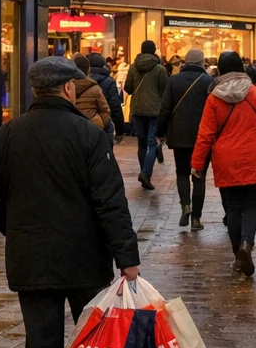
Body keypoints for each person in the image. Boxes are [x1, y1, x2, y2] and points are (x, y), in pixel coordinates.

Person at [0, 56, 139, 348]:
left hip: (31, 258)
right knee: (90, 338)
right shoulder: (88, 135)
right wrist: (126, 256)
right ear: (69, 89)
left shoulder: (8, 134)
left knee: (43, 342)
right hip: (85, 257)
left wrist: (17, 230)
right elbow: (110, 201)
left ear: (36, 90)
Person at [191, 51, 256, 277]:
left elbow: (205, 135)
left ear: (221, 70)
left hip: (226, 160)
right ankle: (247, 243)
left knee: (233, 208)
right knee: (252, 206)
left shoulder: (214, 97)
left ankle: (238, 252)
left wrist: (197, 164)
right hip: (255, 157)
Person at [158, 47, 214, 229]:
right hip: (202, 137)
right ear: (202, 63)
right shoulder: (208, 81)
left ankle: (185, 205)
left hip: (179, 134)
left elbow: (165, 108)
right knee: (199, 176)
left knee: (182, 173)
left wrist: (160, 131)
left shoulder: (174, 80)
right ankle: (196, 218)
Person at [124, 40, 170, 189]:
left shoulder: (133, 67)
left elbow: (128, 89)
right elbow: (165, 90)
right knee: (152, 143)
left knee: (141, 144)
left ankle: (144, 172)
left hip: (137, 110)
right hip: (154, 111)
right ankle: (145, 173)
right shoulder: (159, 69)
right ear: (154, 51)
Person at [87, 52, 127, 141]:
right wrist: (120, 130)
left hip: (85, 124)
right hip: (104, 124)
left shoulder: (81, 80)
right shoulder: (109, 82)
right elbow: (115, 107)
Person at [70, 54, 113, 130]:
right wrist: (101, 124)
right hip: (92, 127)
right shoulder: (94, 88)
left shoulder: (66, 87)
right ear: (88, 70)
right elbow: (105, 110)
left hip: (72, 127)